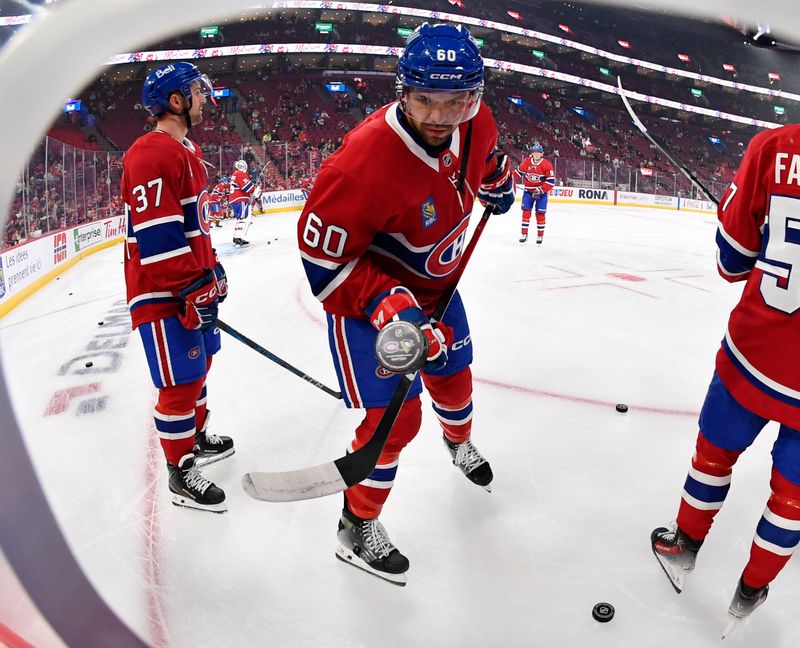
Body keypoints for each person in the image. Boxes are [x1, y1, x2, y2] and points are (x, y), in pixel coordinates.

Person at [297, 23, 515, 585]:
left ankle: (459, 443)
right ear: (403, 92)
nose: (441, 115)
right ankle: (356, 524)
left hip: (436, 287)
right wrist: (396, 310)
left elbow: (484, 156)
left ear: (476, 96)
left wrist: (494, 179)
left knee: (456, 380)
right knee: (395, 422)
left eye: (456, 101)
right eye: (425, 99)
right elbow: (326, 266)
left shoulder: (479, 122)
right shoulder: (360, 165)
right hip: (372, 302)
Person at [651, 124, 800, 628]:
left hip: (756, 355)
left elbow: (732, 263)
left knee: (713, 455)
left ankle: (683, 546)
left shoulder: (774, 147)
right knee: (793, 496)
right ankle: (752, 589)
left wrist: (733, 228)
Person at [122, 62, 234, 514]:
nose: (205, 98)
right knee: (179, 382)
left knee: (200, 366)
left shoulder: (185, 149)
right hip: (163, 291)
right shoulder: (151, 152)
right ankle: (179, 468)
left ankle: (196, 434)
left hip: (189, 285)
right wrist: (192, 283)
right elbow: (159, 235)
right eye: (197, 92)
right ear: (176, 101)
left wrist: (214, 269)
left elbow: (194, 228)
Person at [515, 142, 555, 244]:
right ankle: (524, 234)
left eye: (538, 152)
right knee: (525, 213)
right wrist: (508, 179)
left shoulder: (547, 164)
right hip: (528, 193)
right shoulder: (527, 162)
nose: (536, 154)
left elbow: (551, 182)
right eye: (535, 152)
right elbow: (518, 172)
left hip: (541, 194)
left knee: (540, 214)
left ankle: (540, 236)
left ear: (542, 154)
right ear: (532, 153)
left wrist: (541, 190)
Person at [228, 159, 260, 246]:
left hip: (234, 199)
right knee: (244, 218)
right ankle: (238, 237)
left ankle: (236, 237)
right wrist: (255, 189)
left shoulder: (235, 174)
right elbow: (248, 188)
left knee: (240, 219)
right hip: (240, 199)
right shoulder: (240, 174)